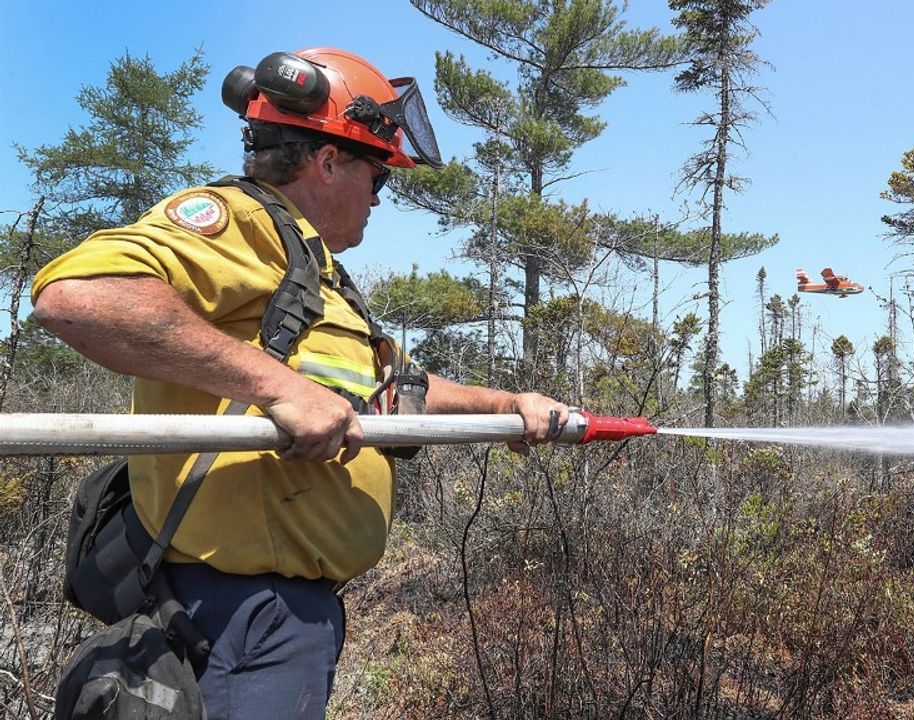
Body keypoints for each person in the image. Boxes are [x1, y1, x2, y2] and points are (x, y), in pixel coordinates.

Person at [31, 47, 568, 720]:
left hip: (286, 616)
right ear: (329, 160)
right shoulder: (240, 222)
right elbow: (79, 296)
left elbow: (394, 388)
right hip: (234, 612)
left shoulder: (312, 272)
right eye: (378, 177)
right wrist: (278, 386)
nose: (379, 198)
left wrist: (508, 405)